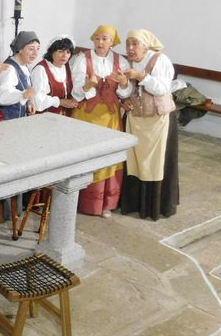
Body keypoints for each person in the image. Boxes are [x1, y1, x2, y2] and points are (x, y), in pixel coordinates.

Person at [70, 24, 131, 217]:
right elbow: (76, 94)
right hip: (86, 117)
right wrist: (88, 84)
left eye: (104, 39)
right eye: (97, 38)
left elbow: (125, 93)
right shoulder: (81, 60)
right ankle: (82, 202)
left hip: (110, 117)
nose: (100, 42)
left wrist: (123, 84)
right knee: (86, 156)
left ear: (112, 42)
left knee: (108, 157)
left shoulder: (121, 62)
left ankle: (105, 204)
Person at [119, 29, 179, 219]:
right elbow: (126, 91)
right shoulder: (126, 62)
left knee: (156, 163)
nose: (130, 48)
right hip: (135, 118)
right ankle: (133, 203)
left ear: (145, 45)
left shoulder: (160, 60)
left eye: (135, 43)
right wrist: (123, 93)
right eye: (128, 43)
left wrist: (141, 76)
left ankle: (154, 206)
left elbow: (162, 88)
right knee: (134, 161)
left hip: (158, 120)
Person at [0, 30, 40, 119]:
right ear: (20, 49)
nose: (35, 53)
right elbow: (1, 97)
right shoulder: (9, 68)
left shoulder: (24, 65)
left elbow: (24, 91)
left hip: (17, 120)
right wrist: (23, 95)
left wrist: (29, 103)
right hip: (6, 121)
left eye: (38, 48)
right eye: (31, 49)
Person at [31, 35, 79, 115]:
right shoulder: (41, 69)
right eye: (60, 51)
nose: (65, 55)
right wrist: (59, 102)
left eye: (68, 52)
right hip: (44, 119)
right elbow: (37, 100)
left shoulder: (68, 68)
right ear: (52, 52)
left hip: (64, 118)